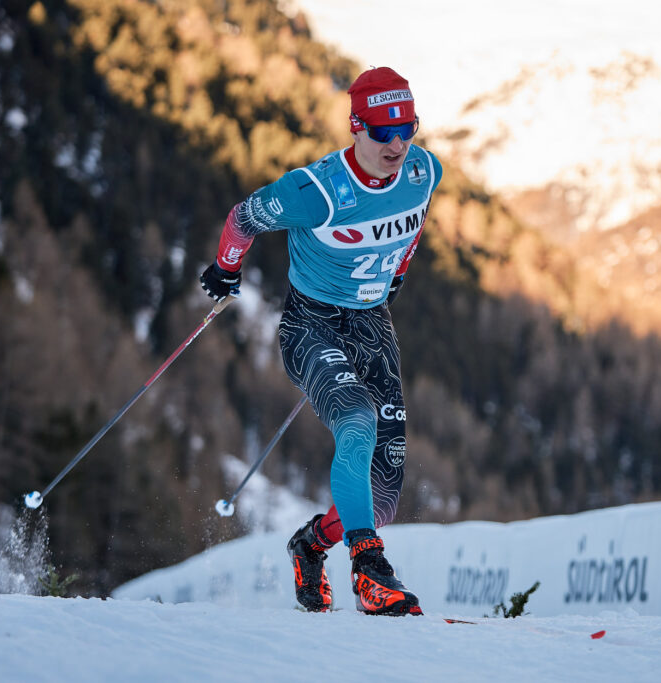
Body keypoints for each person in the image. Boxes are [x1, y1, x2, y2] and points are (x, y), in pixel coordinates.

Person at [200, 67, 442, 616]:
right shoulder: (316, 191)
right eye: (382, 132)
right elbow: (243, 218)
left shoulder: (424, 170)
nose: (397, 144)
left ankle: (312, 545)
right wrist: (226, 269)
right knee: (357, 421)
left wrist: (396, 272)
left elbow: (415, 222)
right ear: (356, 127)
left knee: (383, 493)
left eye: (407, 128)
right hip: (311, 324)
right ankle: (370, 572)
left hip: (372, 323)